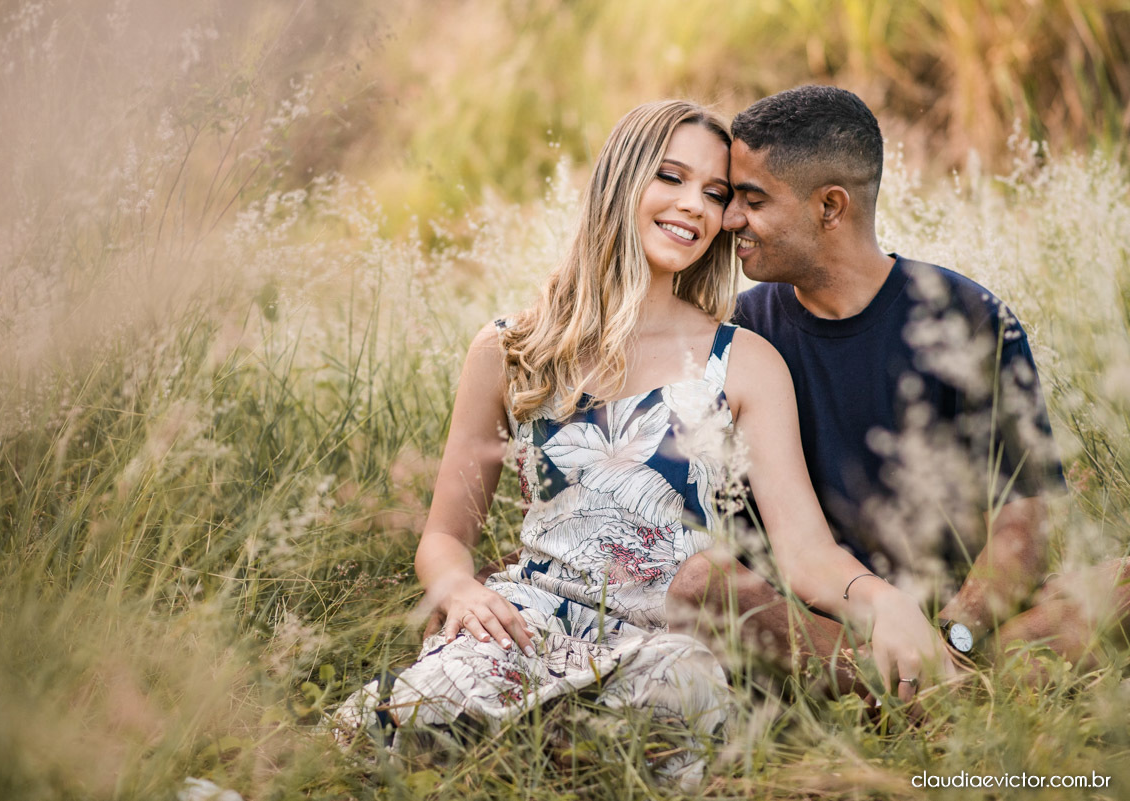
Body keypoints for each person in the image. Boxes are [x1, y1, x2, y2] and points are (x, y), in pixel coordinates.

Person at [333, 99, 952, 786]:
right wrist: (458, 589)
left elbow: (805, 553)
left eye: (714, 194)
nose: (695, 206)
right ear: (622, 180)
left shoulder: (743, 362)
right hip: (526, 620)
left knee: (663, 713)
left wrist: (883, 600)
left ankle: (543, 758)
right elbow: (445, 535)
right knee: (407, 718)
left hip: (669, 641)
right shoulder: (511, 349)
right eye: (671, 177)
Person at [668, 85, 1130, 691]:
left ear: (831, 207)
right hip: (820, 622)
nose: (729, 220)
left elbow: (1026, 515)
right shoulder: (744, 331)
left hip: (958, 616)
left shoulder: (967, 316)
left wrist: (954, 632)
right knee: (707, 586)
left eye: (751, 200)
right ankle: (959, 691)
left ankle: (933, 682)